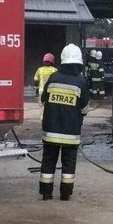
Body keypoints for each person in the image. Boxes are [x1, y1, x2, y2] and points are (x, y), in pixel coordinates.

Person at [39, 44, 91, 201]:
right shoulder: (81, 82)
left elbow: (43, 99)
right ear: (78, 62)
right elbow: (84, 108)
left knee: (48, 160)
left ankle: (46, 193)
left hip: (50, 130)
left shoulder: (53, 77)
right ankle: (65, 193)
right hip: (71, 132)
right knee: (69, 163)